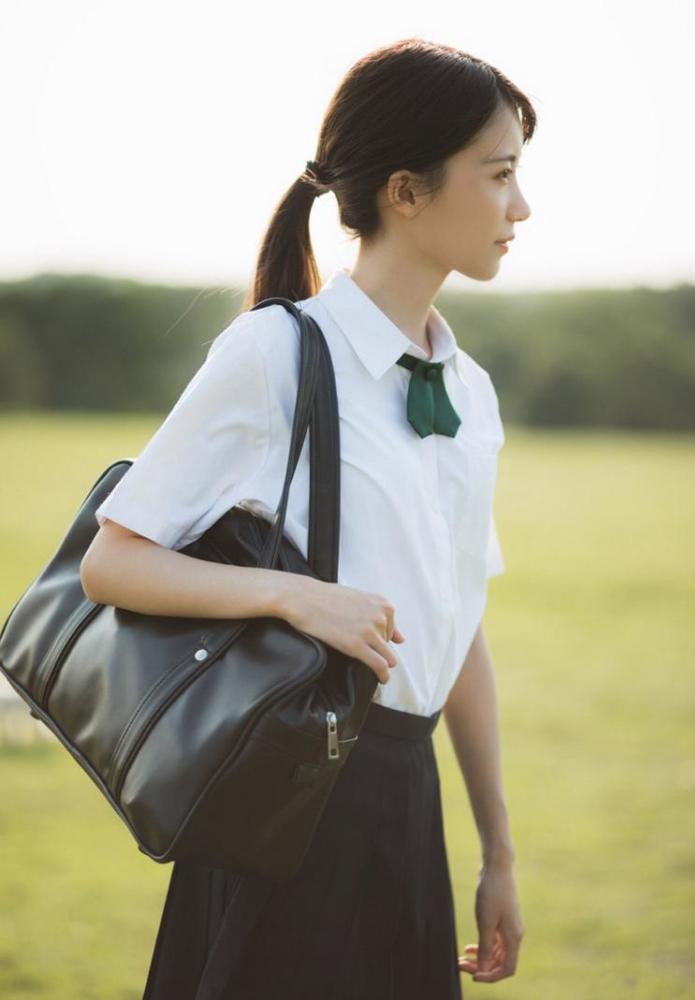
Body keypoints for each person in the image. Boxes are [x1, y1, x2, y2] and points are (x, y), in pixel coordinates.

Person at [81, 35, 534, 1000]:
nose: (520, 208)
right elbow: (111, 562)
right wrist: (297, 596)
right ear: (405, 191)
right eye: (499, 176)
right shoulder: (278, 352)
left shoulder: (472, 391)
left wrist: (498, 852)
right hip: (288, 796)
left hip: (406, 806)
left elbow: (459, 625)